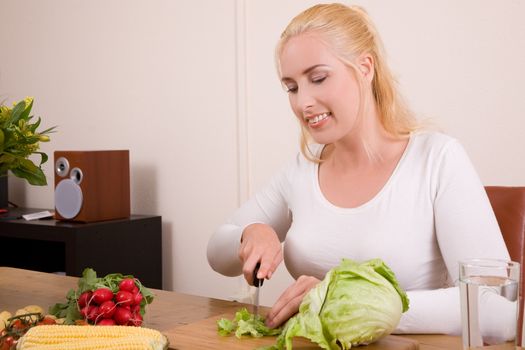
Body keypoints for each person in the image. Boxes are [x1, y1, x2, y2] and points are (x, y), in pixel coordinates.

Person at [207, 3, 513, 337]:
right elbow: (217, 254)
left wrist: (347, 301)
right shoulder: (303, 168)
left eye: (318, 78)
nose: (302, 103)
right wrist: (250, 232)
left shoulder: (437, 159)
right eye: (292, 87)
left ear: (365, 67)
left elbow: (496, 307)